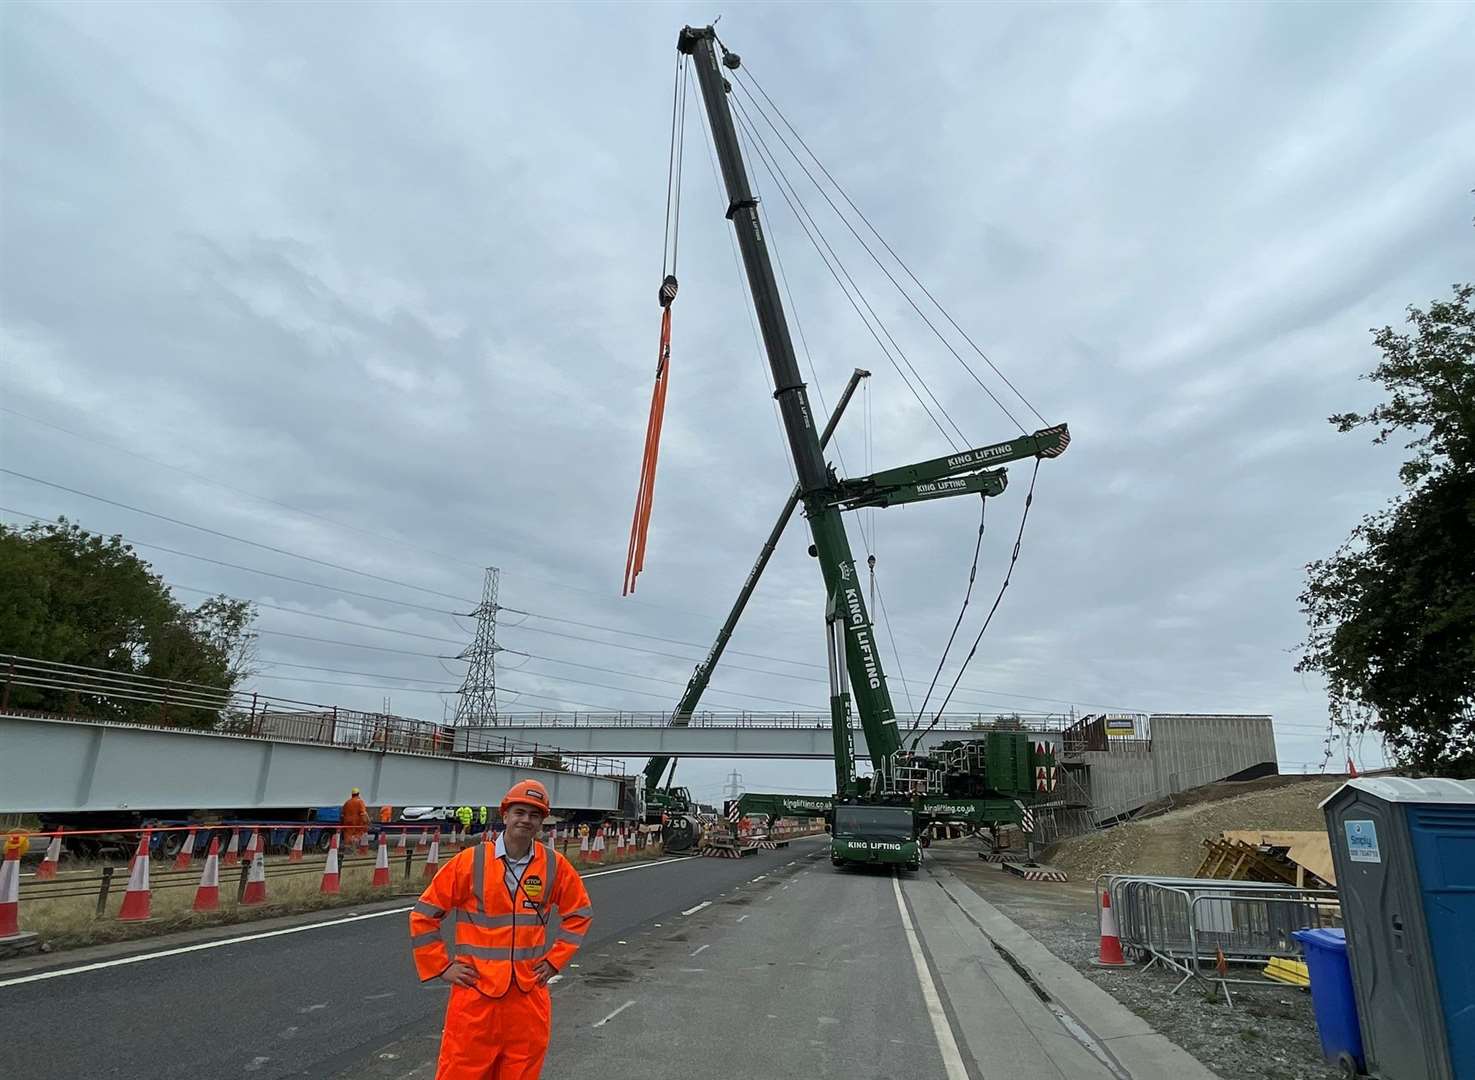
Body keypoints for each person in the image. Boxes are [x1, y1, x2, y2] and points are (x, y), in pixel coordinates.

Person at [410, 779, 591, 1080]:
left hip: (527, 997)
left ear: (542, 822)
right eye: (520, 812)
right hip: (476, 995)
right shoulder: (470, 862)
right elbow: (424, 914)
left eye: (534, 815)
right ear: (505, 815)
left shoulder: (554, 866)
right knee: (461, 1072)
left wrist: (554, 960)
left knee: (520, 1073)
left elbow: (580, 914)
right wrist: (441, 966)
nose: (526, 820)